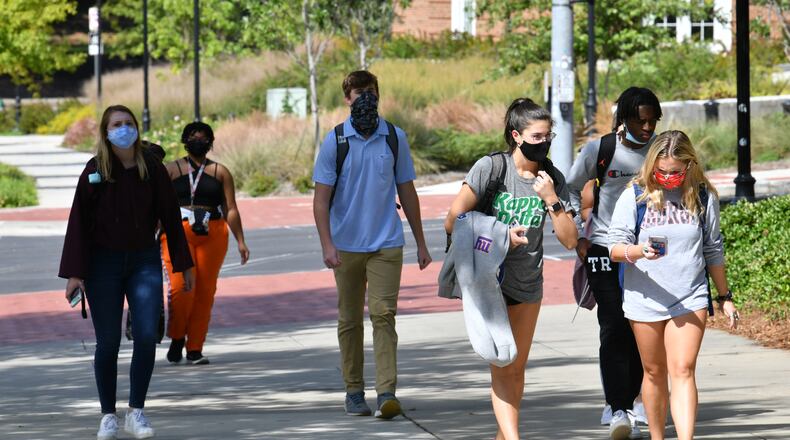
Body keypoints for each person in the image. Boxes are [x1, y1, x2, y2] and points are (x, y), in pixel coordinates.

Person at [444, 98, 578, 440]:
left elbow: (569, 240)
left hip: (528, 282)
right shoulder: (491, 169)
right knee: (502, 364)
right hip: (489, 281)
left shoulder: (552, 178)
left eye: (548, 136)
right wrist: (502, 234)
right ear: (516, 135)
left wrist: (551, 198)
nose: (544, 143)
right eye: (536, 137)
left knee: (516, 368)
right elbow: (452, 220)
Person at [59, 105, 195, 439]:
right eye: (116, 125)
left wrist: (183, 263)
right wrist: (75, 272)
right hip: (102, 264)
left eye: (128, 123)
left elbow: (170, 216)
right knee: (107, 342)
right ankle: (108, 415)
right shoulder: (95, 170)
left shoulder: (152, 168)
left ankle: (137, 411)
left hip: (143, 261)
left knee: (147, 335)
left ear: (137, 127)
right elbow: (78, 223)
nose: (123, 129)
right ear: (106, 132)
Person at [312, 70, 432, 420]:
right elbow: (320, 201)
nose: (365, 97)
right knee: (350, 320)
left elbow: (406, 191)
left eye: (371, 91)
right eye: (357, 92)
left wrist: (421, 242)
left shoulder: (394, 137)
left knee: (384, 315)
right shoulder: (335, 141)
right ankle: (353, 391)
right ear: (346, 98)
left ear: (378, 95)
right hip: (346, 246)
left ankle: (386, 392)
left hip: (386, 244)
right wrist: (327, 245)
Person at [607, 130, 739, 440]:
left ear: (690, 165)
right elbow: (614, 248)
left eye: (675, 172)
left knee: (683, 370)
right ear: (652, 165)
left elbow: (713, 250)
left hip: (689, 296)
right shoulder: (635, 195)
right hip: (645, 298)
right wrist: (639, 251)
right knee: (654, 372)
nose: (667, 177)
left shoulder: (703, 196)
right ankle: (657, 436)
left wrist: (725, 296)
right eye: (661, 171)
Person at [566, 87, 662, 439]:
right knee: (614, 326)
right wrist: (579, 235)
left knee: (645, 328)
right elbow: (570, 188)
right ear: (625, 118)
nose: (649, 127)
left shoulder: (660, 151)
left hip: (649, 254)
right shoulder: (601, 150)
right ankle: (617, 405)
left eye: (654, 120)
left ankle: (639, 397)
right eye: (641, 120)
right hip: (606, 251)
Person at [161, 121, 250, 365]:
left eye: (203, 137)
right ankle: (178, 336)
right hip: (178, 232)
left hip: (213, 232)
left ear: (210, 143)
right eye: (192, 136)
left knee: (204, 291)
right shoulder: (171, 170)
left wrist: (240, 240)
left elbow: (230, 208)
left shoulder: (220, 172)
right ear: (184, 140)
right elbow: (158, 207)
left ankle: (195, 347)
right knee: (181, 288)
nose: (198, 140)